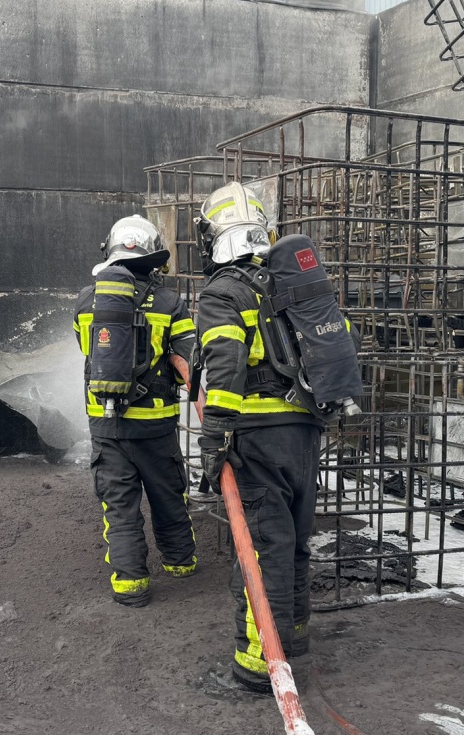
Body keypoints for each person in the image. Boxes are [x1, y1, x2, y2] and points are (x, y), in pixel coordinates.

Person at [193, 182, 322, 693]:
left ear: (215, 236)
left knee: (262, 548)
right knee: (292, 542)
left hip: (259, 436)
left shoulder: (224, 291)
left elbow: (224, 364)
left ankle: (256, 665)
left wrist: (215, 434)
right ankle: (292, 638)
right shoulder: (291, 284)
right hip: (304, 432)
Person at [74, 215, 199, 608]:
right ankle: (180, 563)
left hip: (107, 426)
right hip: (156, 425)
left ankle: (131, 585)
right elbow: (190, 359)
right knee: (167, 495)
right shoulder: (170, 302)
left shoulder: (85, 300)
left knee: (120, 506)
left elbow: (89, 352)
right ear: (152, 254)